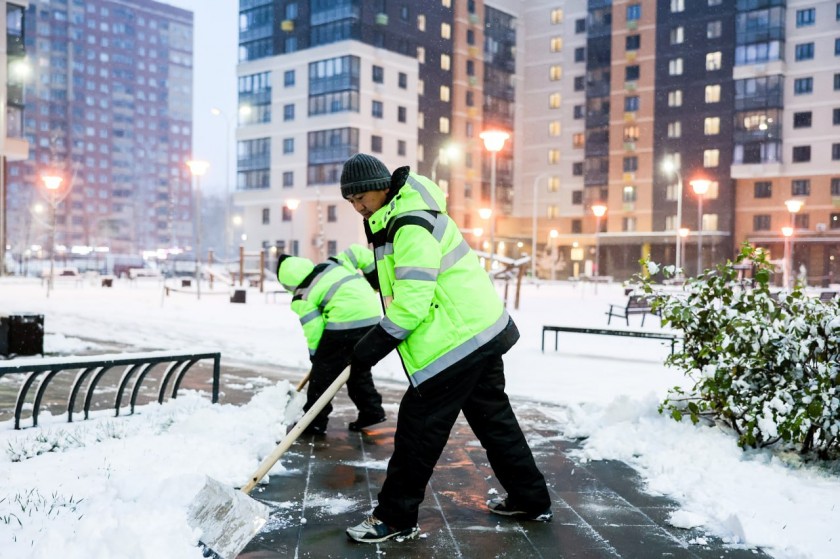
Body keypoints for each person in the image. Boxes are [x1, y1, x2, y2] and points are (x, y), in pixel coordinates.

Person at [338, 153, 552, 543]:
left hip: (455, 342)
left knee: (418, 430)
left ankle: (395, 516)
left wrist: (370, 347)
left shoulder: (410, 224)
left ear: (381, 186)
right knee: (495, 421)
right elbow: (403, 282)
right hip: (479, 331)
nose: (357, 207)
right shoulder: (400, 215)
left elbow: (412, 305)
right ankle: (530, 498)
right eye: (350, 201)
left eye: (359, 198)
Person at [276, 253, 386, 435]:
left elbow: (314, 328)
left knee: (323, 377)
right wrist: (374, 279)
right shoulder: (334, 262)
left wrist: (316, 357)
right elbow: (359, 251)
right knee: (356, 369)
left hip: (345, 323)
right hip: (373, 318)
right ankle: (371, 410)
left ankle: (314, 423)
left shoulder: (302, 296)